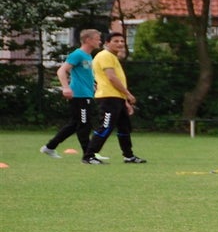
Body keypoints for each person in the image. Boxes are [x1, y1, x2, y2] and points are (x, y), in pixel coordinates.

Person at [41, 29, 108, 160]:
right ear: (88, 40)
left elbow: (84, 75)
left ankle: (50, 147)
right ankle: (88, 155)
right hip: (79, 96)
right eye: (97, 39)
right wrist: (65, 88)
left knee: (74, 125)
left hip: (86, 95)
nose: (100, 41)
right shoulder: (77, 54)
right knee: (84, 125)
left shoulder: (88, 56)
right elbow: (61, 71)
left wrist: (93, 85)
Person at [82, 33, 147, 165]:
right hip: (108, 97)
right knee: (106, 126)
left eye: (122, 41)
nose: (120, 43)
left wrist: (124, 101)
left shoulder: (113, 57)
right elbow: (111, 78)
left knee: (124, 127)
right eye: (116, 41)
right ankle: (89, 156)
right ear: (107, 43)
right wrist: (128, 94)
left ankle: (128, 156)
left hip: (117, 98)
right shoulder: (105, 56)